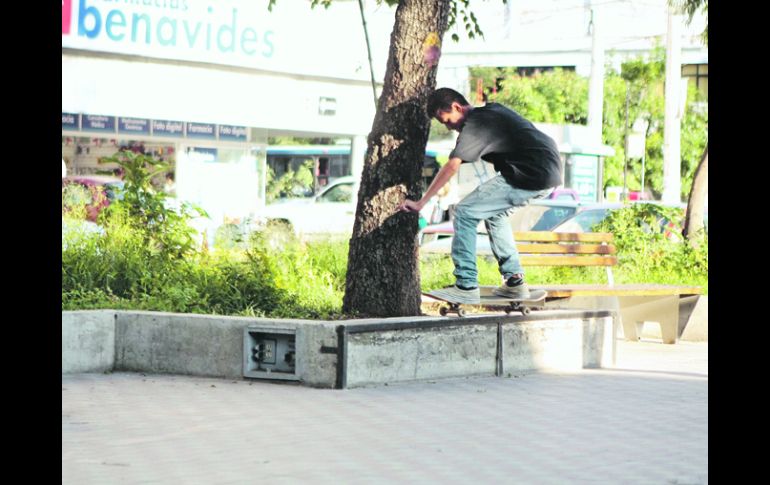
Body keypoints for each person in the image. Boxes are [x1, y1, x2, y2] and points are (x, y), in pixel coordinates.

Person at [399, 88, 563, 303]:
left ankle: (465, 285)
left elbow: (452, 165)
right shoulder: (492, 112)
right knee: (495, 215)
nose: (449, 127)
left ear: (457, 107)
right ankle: (515, 282)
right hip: (548, 173)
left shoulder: (475, 125)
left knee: (465, 211)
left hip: (531, 172)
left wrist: (422, 202)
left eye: (447, 120)